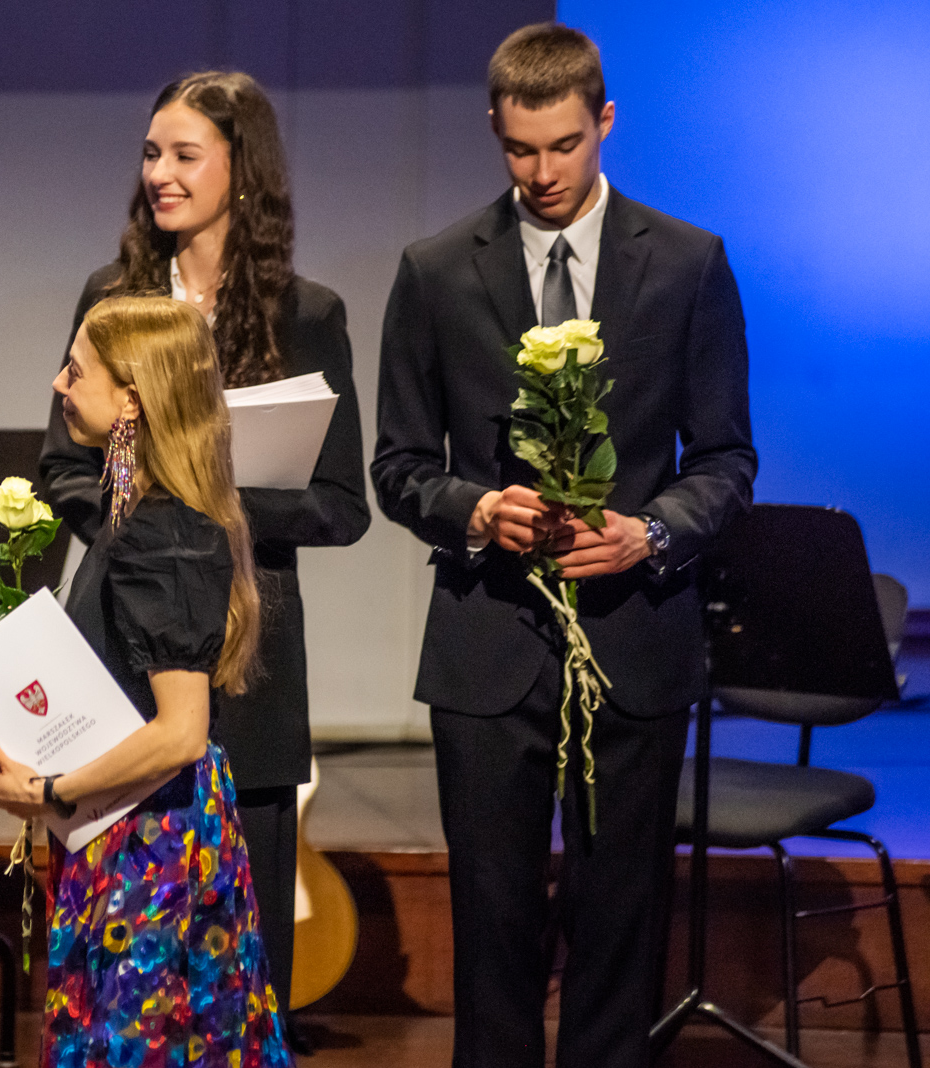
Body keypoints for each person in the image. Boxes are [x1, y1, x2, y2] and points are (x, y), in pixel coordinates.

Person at [369, 23, 755, 1068]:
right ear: (495, 129)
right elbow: (398, 465)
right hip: (487, 644)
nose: (542, 173)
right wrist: (474, 510)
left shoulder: (686, 264)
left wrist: (650, 532)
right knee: (490, 921)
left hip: (635, 640)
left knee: (619, 922)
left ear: (605, 122)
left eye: (565, 146)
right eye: (520, 149)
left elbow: (725, 460)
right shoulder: (436, 271)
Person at [37, 71, 368, 1029]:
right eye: (151, 153)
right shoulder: (115, 299)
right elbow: (64, 470)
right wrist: (149, 535)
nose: (160, 174)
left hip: (246, 655)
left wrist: (201, 508)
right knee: (120, 970)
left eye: (185, 154)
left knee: (239, 971)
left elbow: (341, 506)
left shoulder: (306, 314)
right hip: (132, 644)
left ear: (242, 167)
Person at [0, 296, 293, 1068]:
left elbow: (180, 733)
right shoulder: (138, 512)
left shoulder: (163, 530)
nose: (59, 385)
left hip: (153, 846)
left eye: (75, 371)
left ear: (132, 399)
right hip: (128, 825)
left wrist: (52, 790)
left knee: (143, 1046)